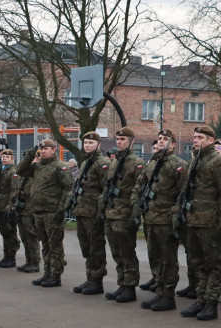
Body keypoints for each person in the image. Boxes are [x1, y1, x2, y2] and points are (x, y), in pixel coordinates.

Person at [176, 125, 221, 321]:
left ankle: (211, 303)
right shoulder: (195, 161)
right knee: (197, 263)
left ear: (211, 140)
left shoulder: (219, 162)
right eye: (194, 137)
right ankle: (200, 299)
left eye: (200, 137)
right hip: (193, 220)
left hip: (211, 222)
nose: (195, 140)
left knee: (213, 264)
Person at [136, 129, 185, 311]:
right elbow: (140, 184)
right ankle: (159, 291)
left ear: (173, 144)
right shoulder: (153, 164)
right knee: (154, 256)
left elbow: (183, 193)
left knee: (168, 259)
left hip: (166, 219)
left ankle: (168, 295)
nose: (162, 141)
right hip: (150, 217)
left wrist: (175, 214)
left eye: (166, 139)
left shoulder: (178, 165)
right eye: (160, 139)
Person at [17, 139, 72, 287]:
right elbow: (20, 170)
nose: (43, 151)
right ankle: (47, 273)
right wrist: (30, 153)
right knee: (45, 245)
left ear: (54, 150)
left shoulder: (60, 167)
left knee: (55, 245)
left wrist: (62, 209)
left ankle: (56, 275)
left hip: (52, 212)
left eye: (46, 148)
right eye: (41, 149)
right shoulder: (37, 167)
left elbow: (68, 189)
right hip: (38, 212)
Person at [100, 127, 145, 303]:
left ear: (132, 141)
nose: (119, 142)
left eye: (123, 139)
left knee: (127, 252)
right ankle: (122, 283)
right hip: (112, 212)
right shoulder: (114, 162)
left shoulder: (137, 163)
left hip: (125, 213)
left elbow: (139, 188)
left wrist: (134, 210)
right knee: (116, 252)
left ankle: (130, 287)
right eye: (118, 139)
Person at [70, 132, 110, 295]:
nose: (87, 145)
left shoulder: (102, 164)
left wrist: (101, 209)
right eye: (85, 143)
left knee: (96, 247)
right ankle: (90, 277)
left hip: (94, 211)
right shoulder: (86, 162)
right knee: (86, 246)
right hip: (82, 210)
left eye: (90, 143)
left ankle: (97, 281)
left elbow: (105, 188)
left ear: (98, 145)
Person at [0, 149, 21, 267]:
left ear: (12, 159)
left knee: (10, 232)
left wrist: (11, 207)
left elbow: (14, 191)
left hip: (7, 206)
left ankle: (11, 257)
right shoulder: (0, 170)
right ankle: (6, 256)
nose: (4, 159)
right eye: (3, 157)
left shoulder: (13, 172)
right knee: (4, 232)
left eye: (7, 157)